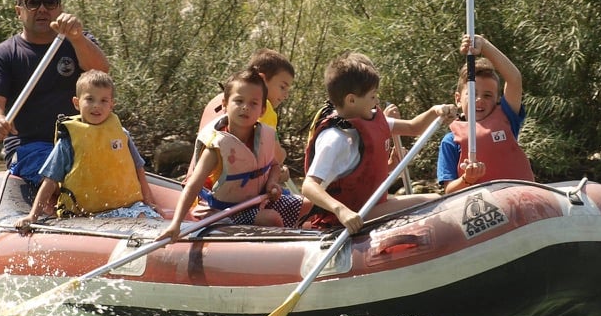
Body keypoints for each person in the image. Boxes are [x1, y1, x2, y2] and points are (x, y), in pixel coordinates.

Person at [302, 51, 457, 234]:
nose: (377, 101)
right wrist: (341, 210)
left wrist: (435, 111)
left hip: (373, 205)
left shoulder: (370, 119)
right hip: (352, 216)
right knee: (429, 202)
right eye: (372, 96)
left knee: (433, 200)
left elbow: (413, 127)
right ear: (351, 100)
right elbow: (308, 186)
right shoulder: (335, 139)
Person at [0, 0, 109, 184]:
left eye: (50, 3)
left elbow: (101, 71)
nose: (42, 9)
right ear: (19, 11)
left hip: (81, 141)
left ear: (59, 8)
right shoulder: (4, 54)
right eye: (32, 3)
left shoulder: (79, 42)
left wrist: (76, 37)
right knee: (64, 174)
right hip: (29, 147)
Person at [160, 68, 307, 242]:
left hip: (256, 201)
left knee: (309, 205)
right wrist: (176, 223)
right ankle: (280, 253)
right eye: (239, 101)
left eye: (253, 103)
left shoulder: (262, 137)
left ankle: (307, 240)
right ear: (225, 105)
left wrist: (272, 182)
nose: (245, 107)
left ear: (262, 110)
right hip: (223, 212)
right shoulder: (216, 148)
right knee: (271, 219)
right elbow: (192, 186)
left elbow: (274, 165)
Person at [15, 70, 160, 232]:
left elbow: (139, 168)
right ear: (77, 103)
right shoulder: (68, 141)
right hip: (88, 215)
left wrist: (149, 201)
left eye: (104, 100)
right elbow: (50, 181)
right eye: (90, 99)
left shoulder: (121, 134)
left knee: (148, 220)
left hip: (129, 207)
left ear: (112, 104)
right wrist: (33, 216)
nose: (96, 105)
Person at [437, 34, 534, 193]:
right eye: (472, 94)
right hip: (482, 210)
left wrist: (484, 45)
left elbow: (514, 79)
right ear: (458, 99)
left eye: (488, 95)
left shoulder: (507, 117)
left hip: (519, 199)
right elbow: (449, 191)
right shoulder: (450, 141)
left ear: (496, 99)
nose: (480, 100)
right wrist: (467, 179)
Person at [193, 48, 295, 183]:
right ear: (262, 79)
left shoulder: (222, 100)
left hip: (204, 182)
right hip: (238, 189)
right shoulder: (265, 108)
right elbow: (276, 157)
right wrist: (283, 157)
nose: (285, 95)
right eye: (282, 87)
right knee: (303, 201)